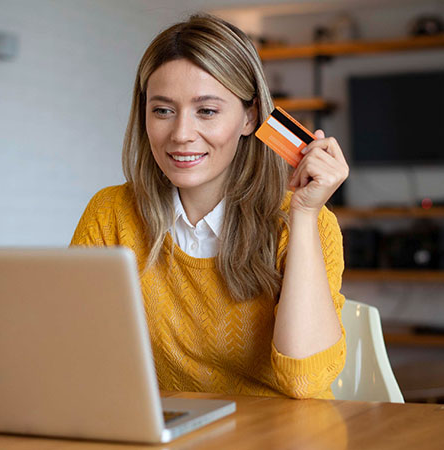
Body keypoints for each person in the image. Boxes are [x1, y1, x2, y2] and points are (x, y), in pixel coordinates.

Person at [70, 13, 349, 399]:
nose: (181, 134)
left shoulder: (308, 223)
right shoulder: (110, 214)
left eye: (207, 111)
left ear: (250, 117)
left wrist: (302, 215)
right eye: (163, 110)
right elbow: (75, 356)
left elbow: (305, 382)